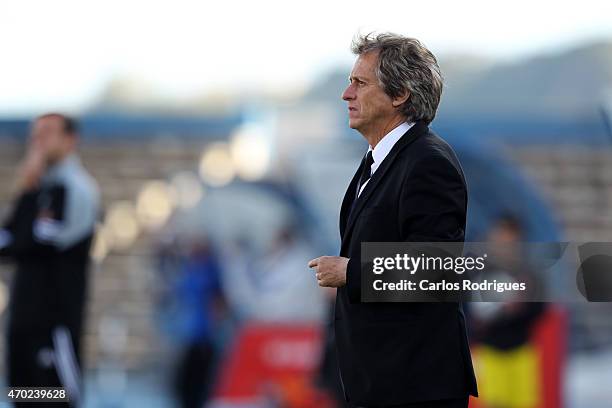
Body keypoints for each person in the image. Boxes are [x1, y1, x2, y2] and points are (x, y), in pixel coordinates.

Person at [308, 33, 478, 407]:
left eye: (360, 83)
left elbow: (435, 267)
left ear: (400, 94)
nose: (346, 94)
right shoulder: (380, 159)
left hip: (413, 387)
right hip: (380, 383)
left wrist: (351, 272)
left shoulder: (428, 161)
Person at [0, 113, 99, 407]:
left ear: (70, 139)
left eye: (47, 132)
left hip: (52, 325)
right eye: (35, 133)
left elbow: (34, 244)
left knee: (54, 398)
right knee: (22, 396)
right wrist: (28, 191)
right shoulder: (38, 188)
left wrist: (28, 204)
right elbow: (7, 241)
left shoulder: (74, 188)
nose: (38, 140)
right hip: (23, 323)